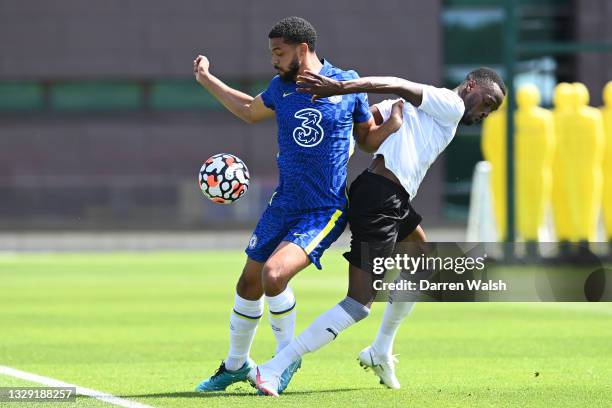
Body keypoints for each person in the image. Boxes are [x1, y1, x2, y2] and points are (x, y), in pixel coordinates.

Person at [252, 67, 506, 396]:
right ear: (471, 85)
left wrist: (390, 123)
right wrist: (338, 88)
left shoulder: (413, 106)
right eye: (488, 101)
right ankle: (275, 367)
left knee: (421, 259)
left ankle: (381, 350)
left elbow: (364, 134)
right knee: (358, 305)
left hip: (386, 196)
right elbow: (396, 81)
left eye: (492, 110)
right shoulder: (451, 103)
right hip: (381, 201)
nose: (485, 112)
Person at [193, 16, 403, 393]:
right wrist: (208, 80)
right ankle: (236, 365)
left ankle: (284, 361)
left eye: (279, 52)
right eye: (272, 52)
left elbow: (367, 139)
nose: (273, 59)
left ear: (302, 50)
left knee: (274, 276)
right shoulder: (280, 88)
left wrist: (391, 126)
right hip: (284, 203)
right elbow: (247, 110)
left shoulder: (346, 83)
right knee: (248, 284)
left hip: (324, 208)